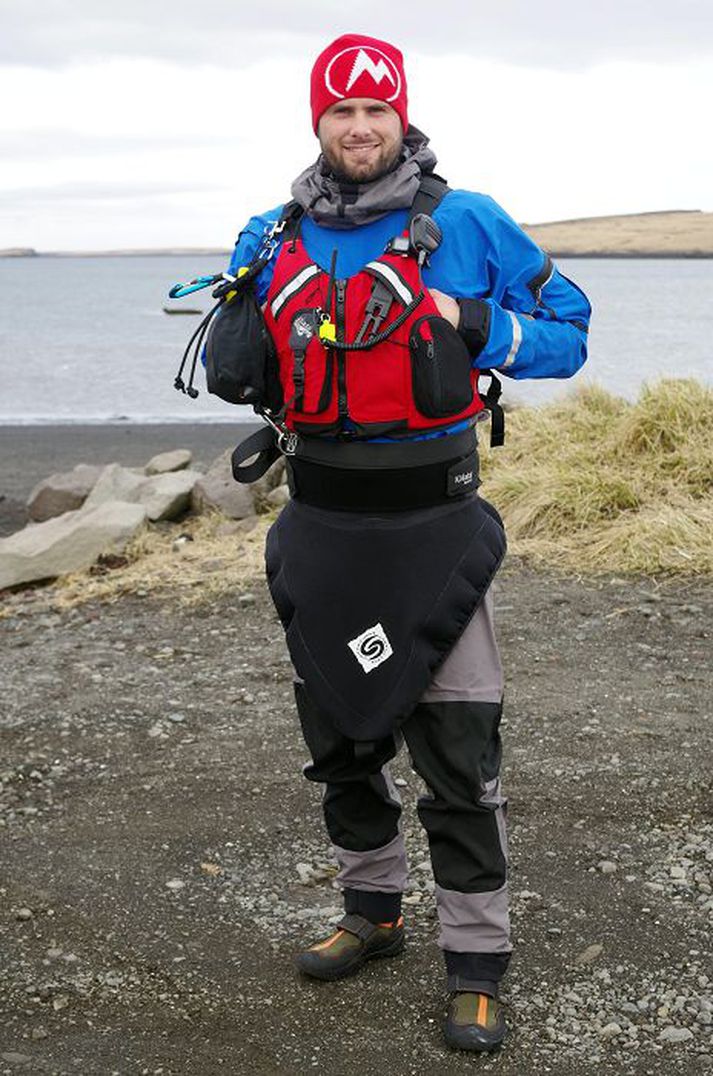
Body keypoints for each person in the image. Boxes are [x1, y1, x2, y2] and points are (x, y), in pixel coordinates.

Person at [223, 32, 591, 1053]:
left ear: (401, 116)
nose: (358, 127)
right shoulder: (274, 228)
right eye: (339, 113)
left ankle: (476, 960)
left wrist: (469, 319)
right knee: (339, 738)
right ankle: (372, 910)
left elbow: (568, 323)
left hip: (433, 525)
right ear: (318, 123)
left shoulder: (467, 221)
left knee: (458, 751)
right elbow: (225, 337)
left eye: (374, 109)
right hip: (322, 525)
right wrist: (231, 310)